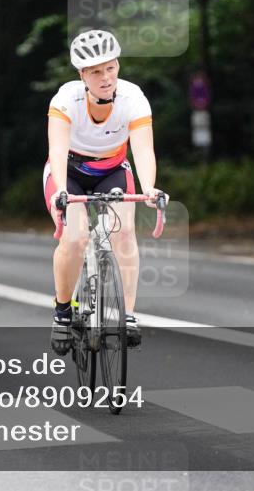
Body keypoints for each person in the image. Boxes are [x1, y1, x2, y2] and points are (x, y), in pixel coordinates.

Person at [44, 29, 167, 355]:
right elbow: (57, 149)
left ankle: (126, 314)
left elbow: (142, 151)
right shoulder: (65, 100)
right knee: (76, 236)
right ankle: (62, 311)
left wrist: (150, 188)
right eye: (96, 71)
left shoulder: (134, 99)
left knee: (125, 232)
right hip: (67, 171)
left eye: (110, 68)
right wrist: (60, 192)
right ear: (82, 74)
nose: (105, 77)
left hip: (111, 169)